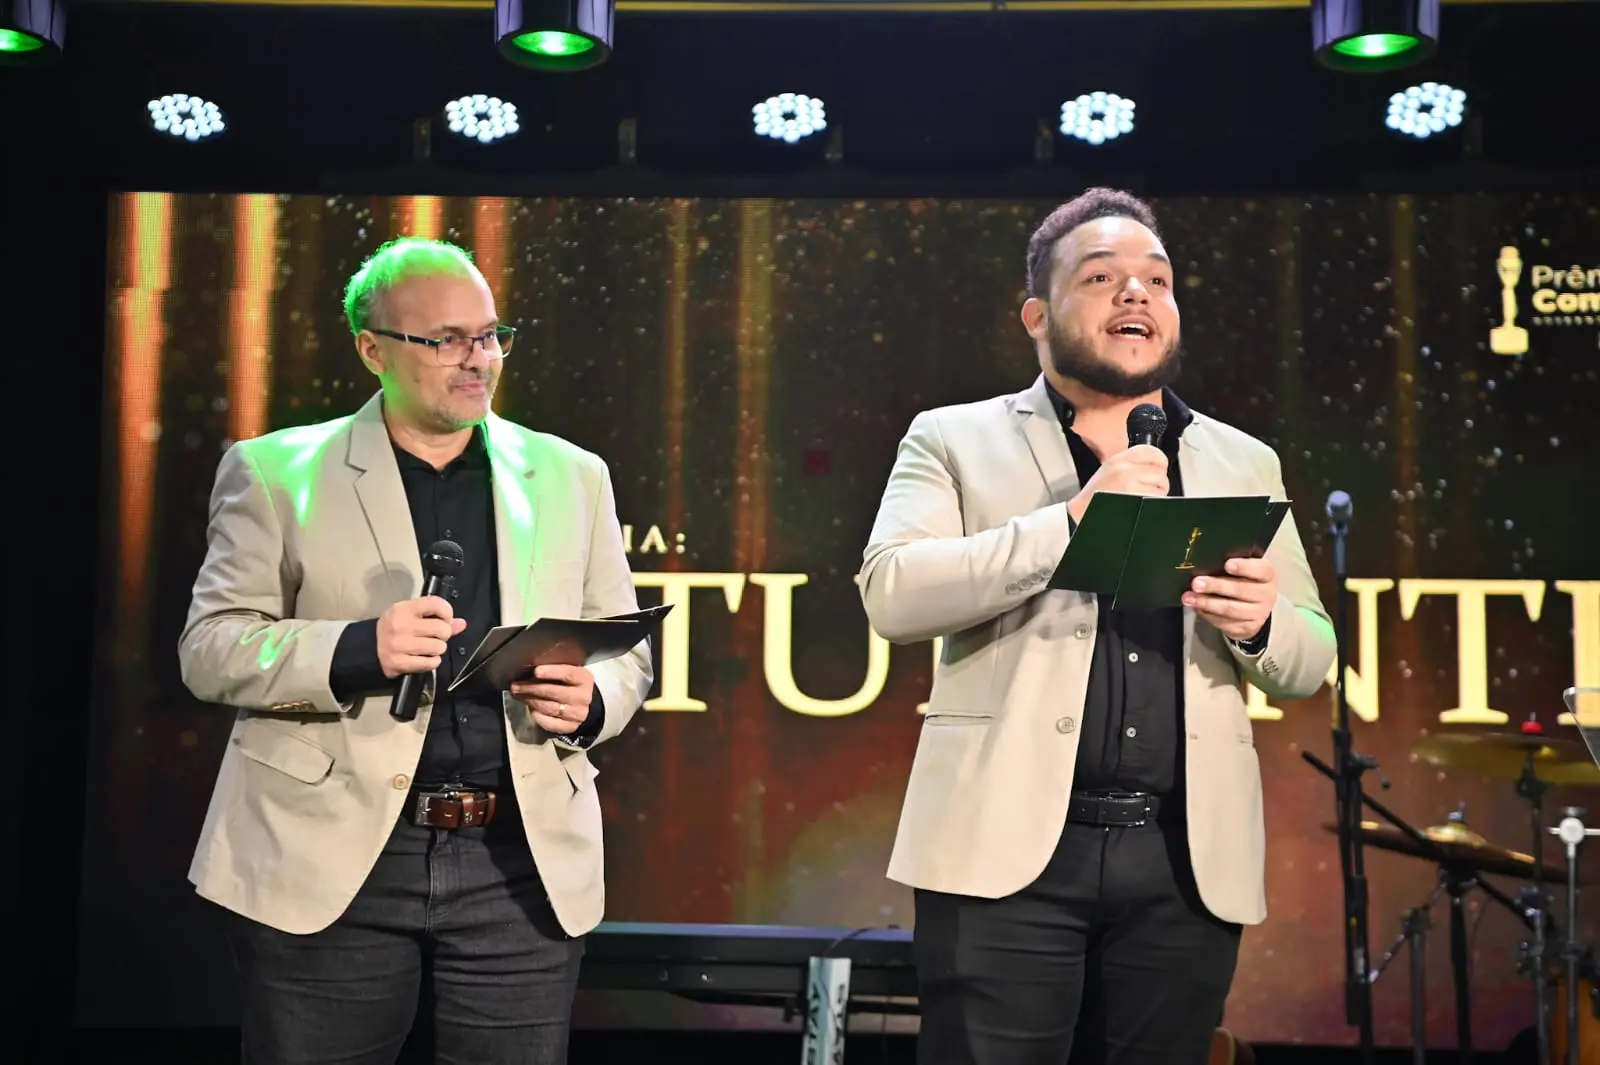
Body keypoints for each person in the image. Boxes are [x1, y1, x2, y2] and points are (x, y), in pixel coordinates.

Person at [858, 188, 1335, 1065]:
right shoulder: (954, 438)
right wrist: (1070, 524)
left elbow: (1311, 656)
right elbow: (893, 593)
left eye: (1157, 279)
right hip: (1003, 857)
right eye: (1102, 277)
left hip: (1182, 864)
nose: (1135, 293)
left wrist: (1263, 623)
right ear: (1038, 316)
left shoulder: (1242, 459)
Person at [178, 237, 652, 1065]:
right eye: (447, 339)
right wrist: (356, 647)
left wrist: (595, 699)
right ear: (373, 350)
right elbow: (211, 648)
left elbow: (623, 647)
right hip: (331, 854)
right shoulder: (276, 471)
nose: (479, 358)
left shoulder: (571, 474)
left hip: (518, 859)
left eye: (491, 334)